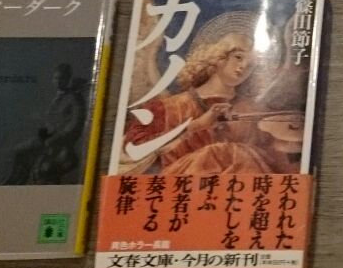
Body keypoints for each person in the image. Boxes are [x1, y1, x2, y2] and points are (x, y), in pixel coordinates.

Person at [120, 31, 288, 176]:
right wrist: (196, 126)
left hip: (238, 191)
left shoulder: (252, 112)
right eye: (238, 57)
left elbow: (275, 163)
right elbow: (132, 154)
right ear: (219, 57)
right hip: (180, 187)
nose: (243, 66)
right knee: (217, 152)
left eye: (251, 65)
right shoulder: (167, 108)